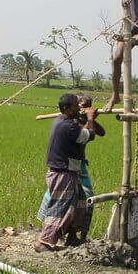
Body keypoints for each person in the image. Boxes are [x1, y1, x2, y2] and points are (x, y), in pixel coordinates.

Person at [36, 93, 103, 252]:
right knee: (59, 207)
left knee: (80, 202)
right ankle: (43, 242)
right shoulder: (68, 126)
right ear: (67, 109)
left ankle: (72, 237)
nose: (78, 108)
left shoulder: (64, 121)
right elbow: (90, 135)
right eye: (75, 105)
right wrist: (91, 119)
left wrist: (88, 119)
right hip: (62, 173)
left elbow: (98, 132)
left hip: (69, 171)